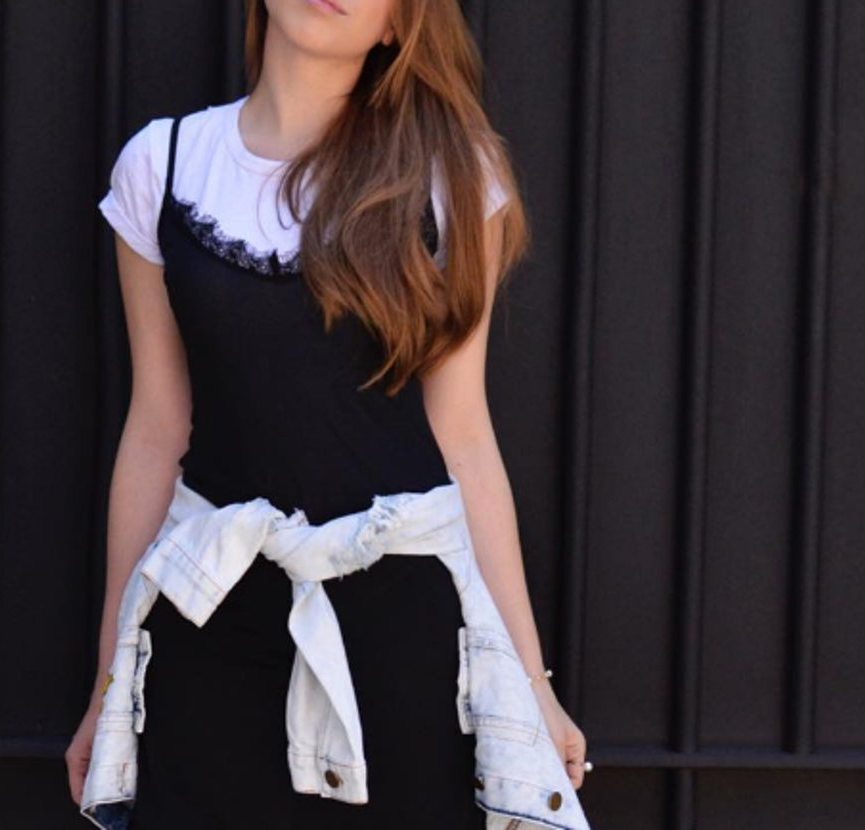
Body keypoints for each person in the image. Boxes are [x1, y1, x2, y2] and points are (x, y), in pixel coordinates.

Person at [66, 0, 590, 827]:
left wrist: (531, 686)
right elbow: (157, 429)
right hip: (209, 629)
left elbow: (464, 436)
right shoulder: (162, 165)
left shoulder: (454, 174)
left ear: (398, 24)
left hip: (402, 644)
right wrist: (110, 689)